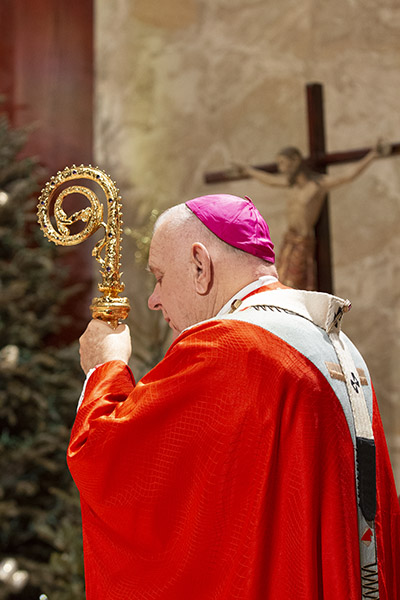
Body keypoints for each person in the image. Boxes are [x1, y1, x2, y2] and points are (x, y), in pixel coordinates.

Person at [68, 194, 400, 600]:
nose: (154, 300)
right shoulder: (335, 343)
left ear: (200, 266)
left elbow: (108, 460)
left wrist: (105, 368)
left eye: (159, 276)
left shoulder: (231, 348)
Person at [233, 142, 389, 290]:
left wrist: (372, 155)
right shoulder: (291, 183)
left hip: (303, 239)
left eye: (283, 162)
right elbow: (270, 181)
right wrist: (248, 170)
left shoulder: (318, 184)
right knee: (278, 278)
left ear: (295, 160)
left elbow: (347, 176)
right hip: (290, 238)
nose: (281, 168)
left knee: (294, 283)